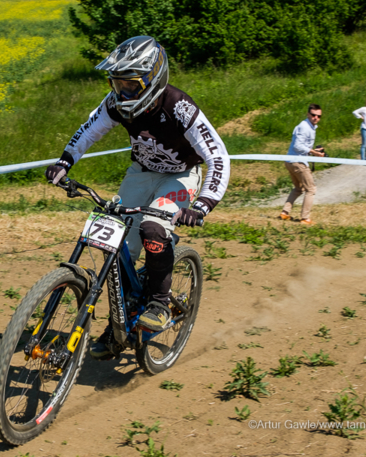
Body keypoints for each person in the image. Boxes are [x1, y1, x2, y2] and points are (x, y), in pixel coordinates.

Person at [44, 36, 230, 359]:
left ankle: (158, 302)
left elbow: (218, 157)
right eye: (117, 84)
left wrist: (202, 204)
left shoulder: (179, 107)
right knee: (114, 244)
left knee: (153, 230)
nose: (122, 93)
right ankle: (121, 322)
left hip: (181, 175)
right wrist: (65, 160)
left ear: (152, 79)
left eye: (130, 85)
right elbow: (90, 128)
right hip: (141, 173)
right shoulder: (117, 103)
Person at [279, 104, 325, 225]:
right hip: (297, 162)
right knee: (311, 189)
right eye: (313, 115)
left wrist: (315, 151)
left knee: (299, 188)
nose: (316, 118)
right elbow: (298, 146)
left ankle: (285, 213)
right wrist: (313, 152)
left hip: (291, 161)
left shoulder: (310, 127)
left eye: (318, 116)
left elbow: (301, 145)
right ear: (308, 114)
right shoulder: (304, 127)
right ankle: (305, 218)